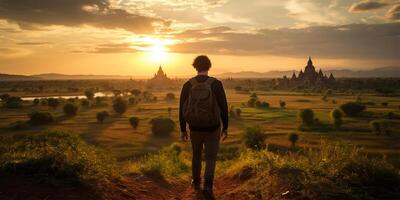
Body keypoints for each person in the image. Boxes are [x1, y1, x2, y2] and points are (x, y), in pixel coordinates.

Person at [179, 55, 228, 199]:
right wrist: (225, 127)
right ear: (209, 67)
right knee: (211, 157)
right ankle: (207, 185)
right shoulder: (216, 84)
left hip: (194, 127)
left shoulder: (188, 85)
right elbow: (224, 107)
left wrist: (183, 129)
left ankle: (195, 181)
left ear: (195, 67)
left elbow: (181, 108)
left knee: (196, 154)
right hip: (213, 127)